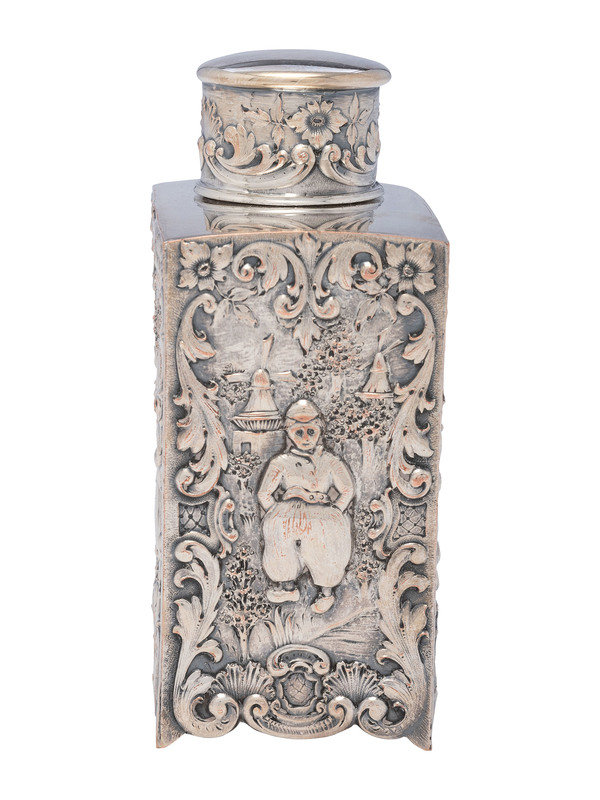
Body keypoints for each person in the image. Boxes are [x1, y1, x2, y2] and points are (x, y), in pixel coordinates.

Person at [257, 399, 354, 613]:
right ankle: (287, 587)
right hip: (289, 514)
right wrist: (275, 512)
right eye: (299, 433)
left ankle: (326, 592)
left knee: (325, 549)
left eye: (311, 432)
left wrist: (336, 510)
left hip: (321, 516)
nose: (306, 438)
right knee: (281, 543)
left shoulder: (330, 461)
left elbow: (347, 489)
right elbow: (264, 493)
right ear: (289, 433)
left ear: (320, 431)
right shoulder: (280, 462)